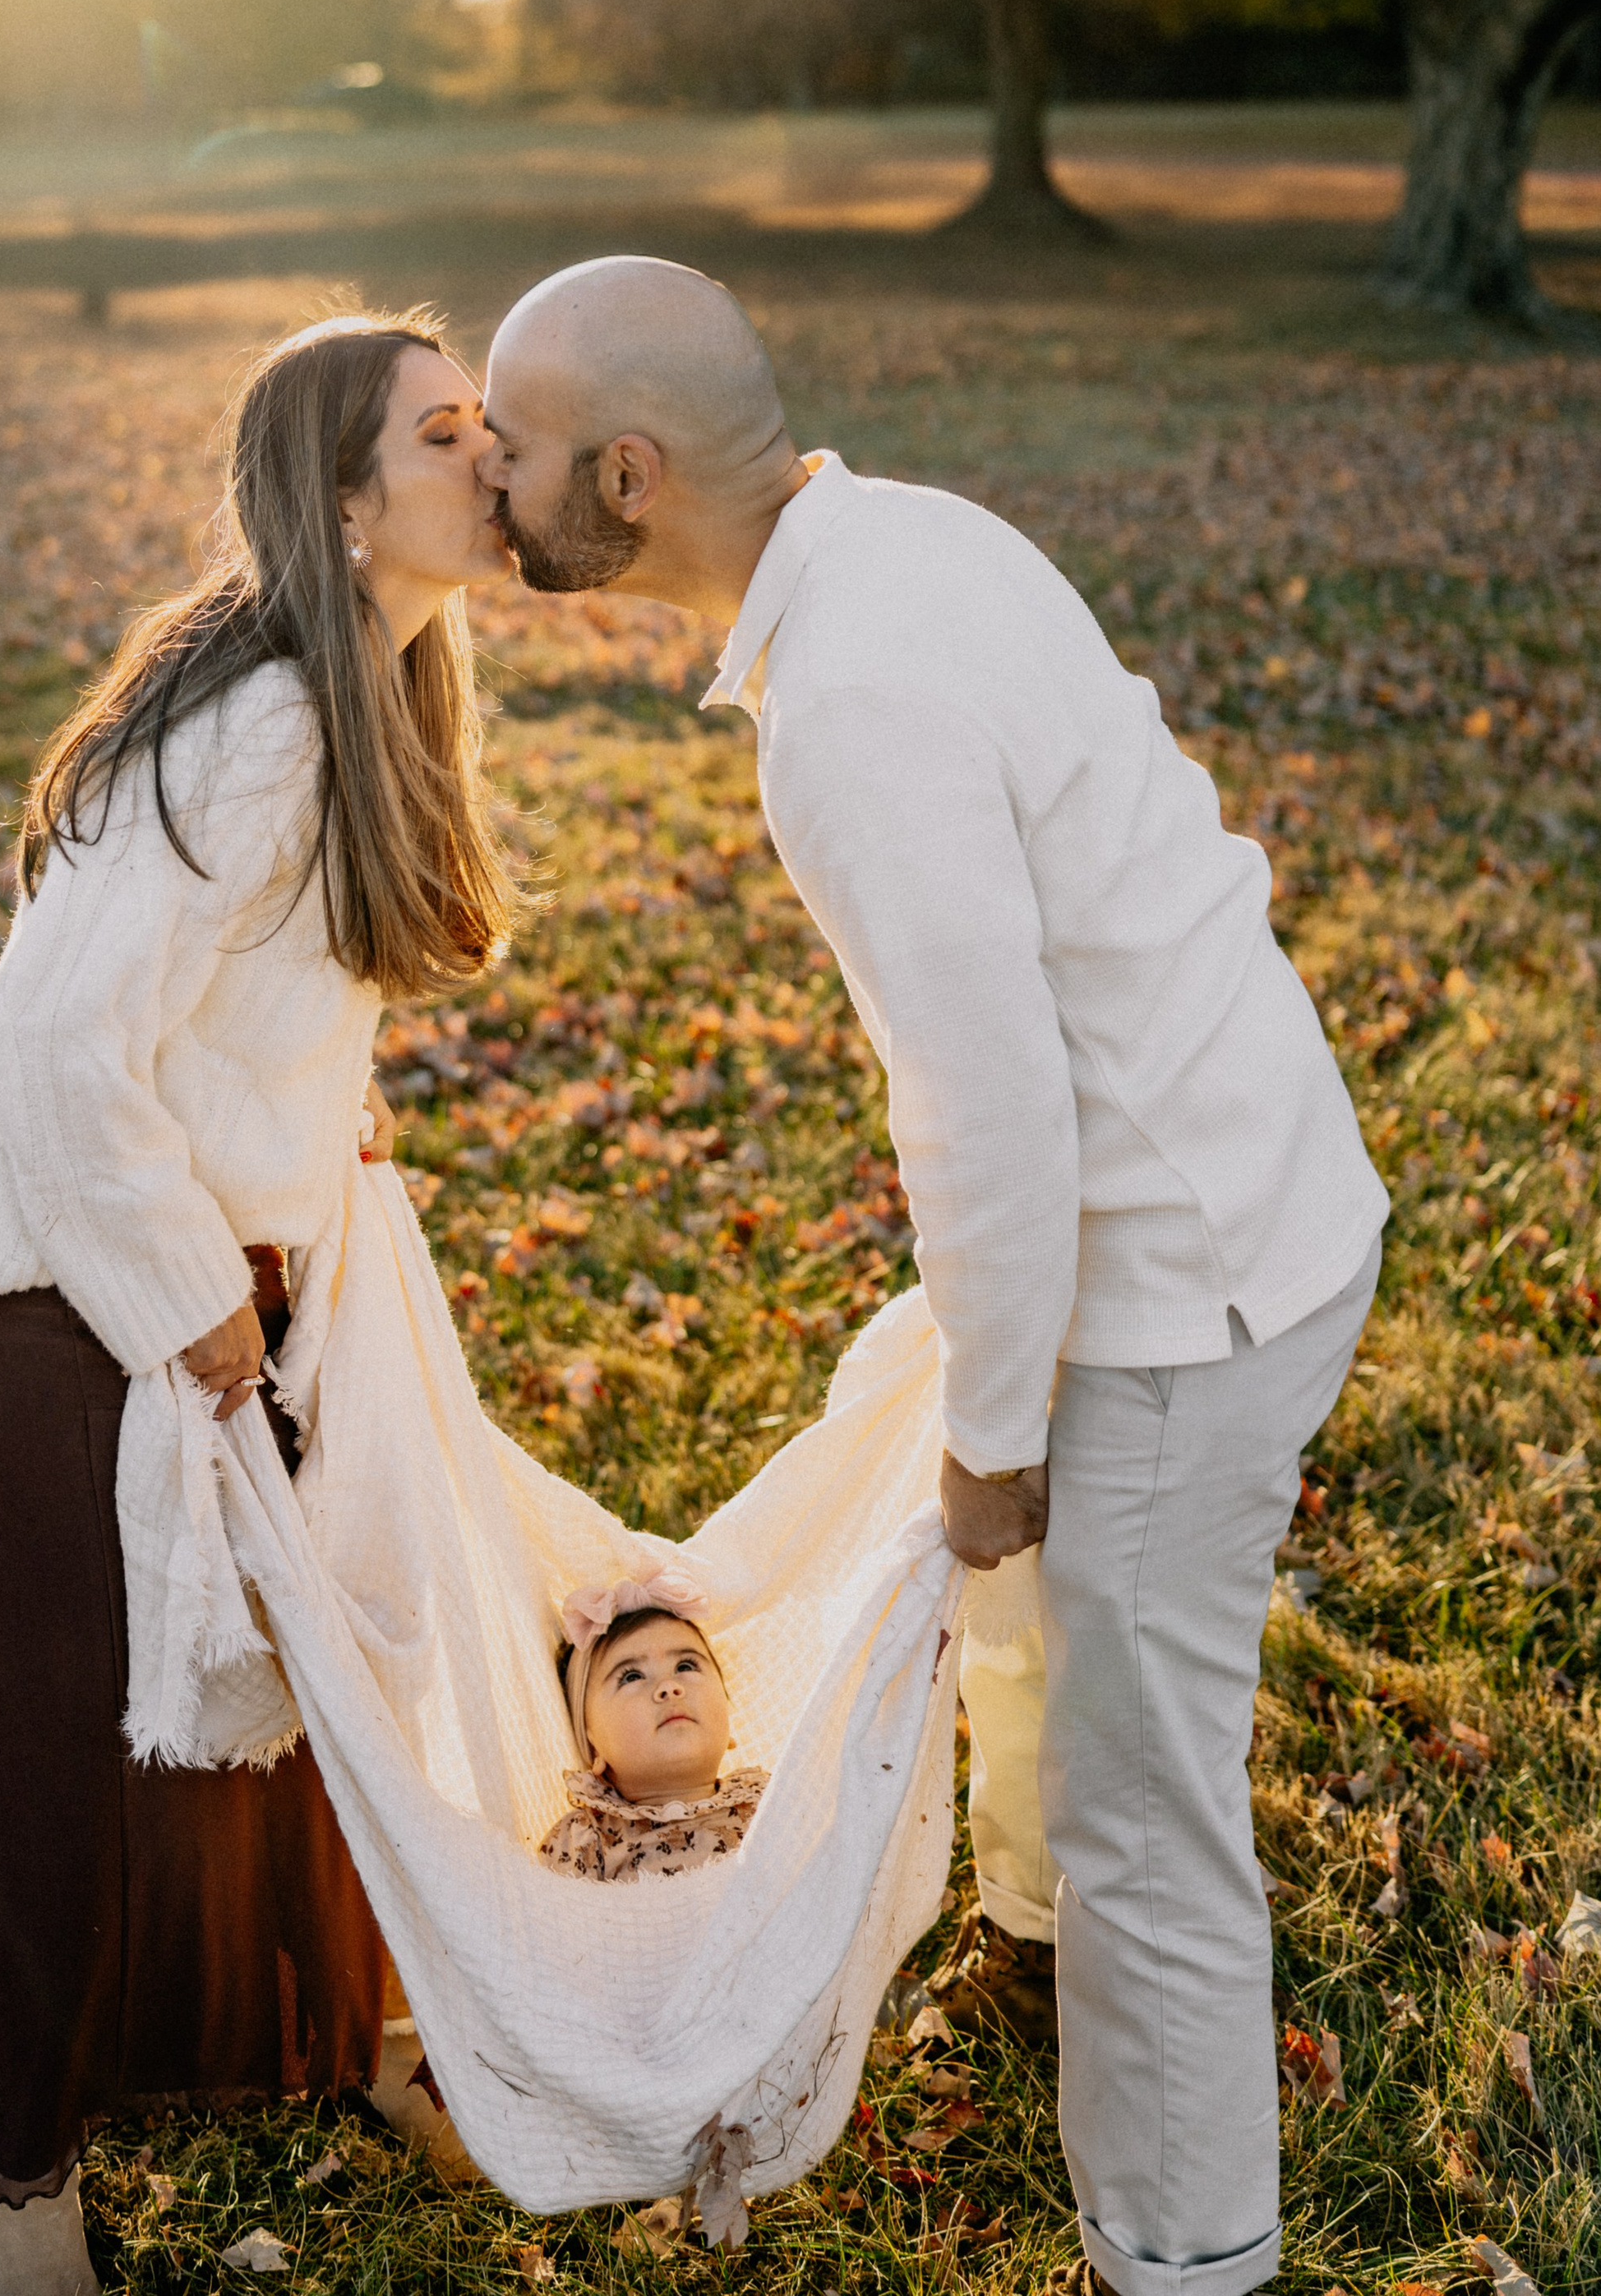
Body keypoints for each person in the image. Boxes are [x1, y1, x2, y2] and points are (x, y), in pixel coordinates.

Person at [478, 258, 1386, 2296]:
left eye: (520, 449)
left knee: (1151, 1809)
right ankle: (1029, 1945)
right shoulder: (901, 532)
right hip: (1245, 1185)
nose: (493, 477)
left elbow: (987, 1114)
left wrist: (989, 1438)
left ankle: (1179, 2253)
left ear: (626, 478)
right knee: (1022, 1631)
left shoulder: (853, 700)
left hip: (1184, 1285)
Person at [0, 310, 518, 2296]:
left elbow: (243, 1033)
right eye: (444, 431)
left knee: (316, 1668)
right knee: (52, 1743)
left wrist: (301, 1255)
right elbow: (65, 1058)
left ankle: (347, 2033)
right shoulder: (256, 720)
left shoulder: (380, 691)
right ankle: (8, 2178)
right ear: (344, 499)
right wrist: (192, 1303)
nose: (489, 456)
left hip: (216, 1262)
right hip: (44, 1287)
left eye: (487, 420)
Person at [540, 1573, 768, 1883]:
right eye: (631, 1676)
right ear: (593, 1746)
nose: (669, 1687)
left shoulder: (772, 1804)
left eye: (686, 1666)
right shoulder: (587, 1842)